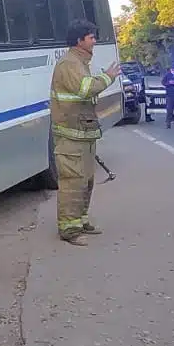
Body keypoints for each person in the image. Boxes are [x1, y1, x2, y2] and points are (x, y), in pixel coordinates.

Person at [50, 19, 121, 244]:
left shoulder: (80, 62)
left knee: (86, 181)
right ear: (79, 40)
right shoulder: (69, 64)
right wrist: (108, 76)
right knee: (73, 182)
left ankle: (80, 221)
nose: (95, 41)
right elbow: (85, 89)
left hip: (82, 133)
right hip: (70, 136)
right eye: (91, 37)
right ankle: (69, 230)